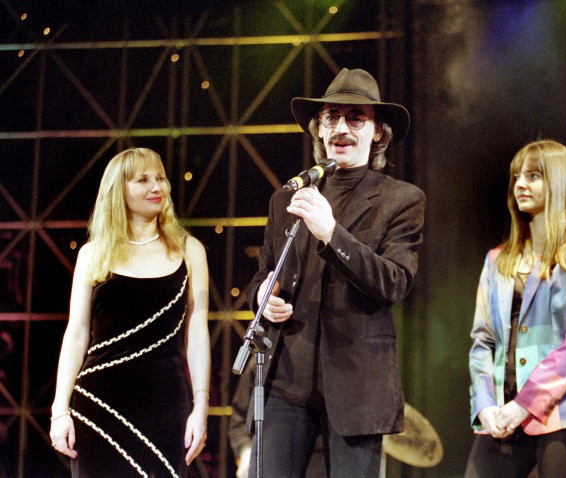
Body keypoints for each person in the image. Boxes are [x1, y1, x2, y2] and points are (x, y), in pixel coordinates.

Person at [244, 68, 425, 477]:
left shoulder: (401, 199)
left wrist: (331, 233)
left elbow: (394, 282)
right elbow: (264, 275)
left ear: (378, 132)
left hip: (358, 387)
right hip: (287, 382)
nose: (341, 128)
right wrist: (262, 298)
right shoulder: (287, 199)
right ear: (319, 129)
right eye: (331, 117)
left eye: (355, 118)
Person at [49, 148, 210, 477]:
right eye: (143, 180)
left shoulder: (189, 250)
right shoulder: (93, 254)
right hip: (98, 403)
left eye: (160, 178)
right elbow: (76, 334)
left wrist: (201, 406)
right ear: (118, 190)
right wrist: (59, 410)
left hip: (166, 405)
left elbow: (197, 334)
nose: (157, 187)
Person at [466, 140, 566, 478]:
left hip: (564, 410)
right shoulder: (497, 260)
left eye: (533, 176)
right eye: (517, 177)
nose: (520, 185)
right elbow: (483, 341)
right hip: (502, 412)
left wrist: (525, 404)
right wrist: (484, 406)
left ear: (558, 182)